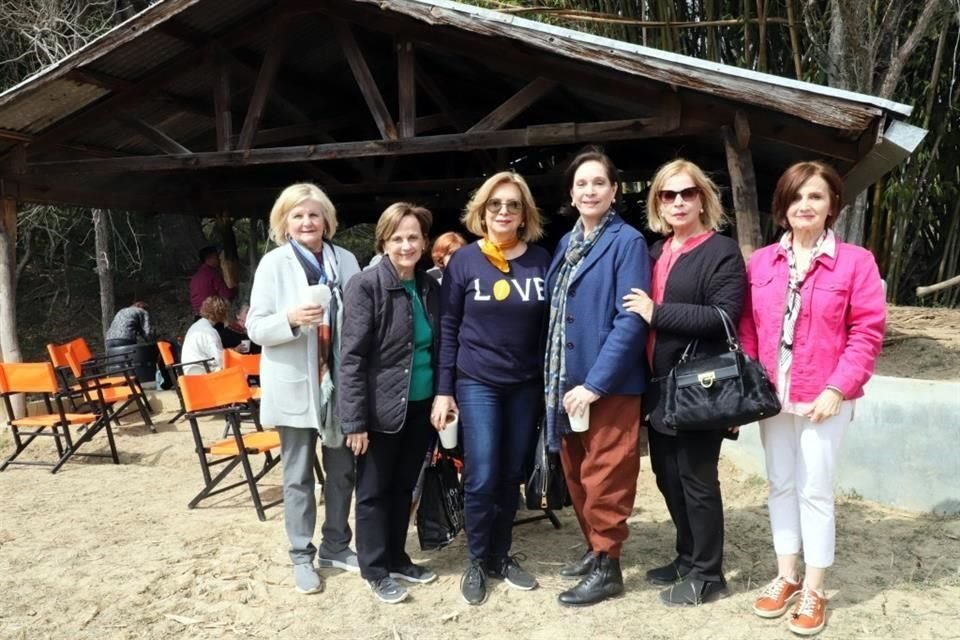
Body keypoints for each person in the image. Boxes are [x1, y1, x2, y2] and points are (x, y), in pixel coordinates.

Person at [739, 161, 885, 636]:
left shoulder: (855, 262)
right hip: (773, 395)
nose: (806, 205)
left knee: (815, 490)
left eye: (816, 197)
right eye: (797, 197)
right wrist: (753, 384)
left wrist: (838, 388)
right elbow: (747, 328)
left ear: (832, 207)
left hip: (823, 395)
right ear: (783, 207)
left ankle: (815, 588)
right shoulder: (761, 262)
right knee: (780, 484)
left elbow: (866, 331)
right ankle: (786, 575)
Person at [623, 159, 746, 606]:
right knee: (666, 477)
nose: (677, 202)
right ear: (657, 201)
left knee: (696, 480)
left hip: (699, 386)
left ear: (703, 199)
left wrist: (657, 312)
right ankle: (687, 555)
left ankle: (709, 574)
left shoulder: (721, 251)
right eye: (667, 194)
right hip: (658, 387)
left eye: (686, 193)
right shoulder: (654, 253)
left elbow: (722, 316)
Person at [430, 172, 550, 605]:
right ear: (482, 211)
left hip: (525, 385)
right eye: (495, 204)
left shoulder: (540, 260)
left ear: (524, 214)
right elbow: (448, 326)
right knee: (480, 474)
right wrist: (445, 390)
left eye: (513, 205)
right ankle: (478, 559)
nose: (503, 211)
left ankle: (501, 555)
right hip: (477, 381)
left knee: (510, 473)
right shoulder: (464, 262)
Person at [544, 148, 651, 607]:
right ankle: (594, 548)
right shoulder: (566, 245)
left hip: (606, 383)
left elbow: (630, 321)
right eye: (582, 184)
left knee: (607, 472)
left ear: (614, 191)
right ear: (571, 193)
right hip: (566, 381)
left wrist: (596, 384)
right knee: (578, 472)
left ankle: (609, 565)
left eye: (599, 183)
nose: (590, 191)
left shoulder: (627, 243)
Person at [245, 183, 362, 595]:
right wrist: (291, 318)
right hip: (296, 384)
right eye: (297, 216)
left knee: (343, 469)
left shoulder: (346, 260)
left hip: (340, 383)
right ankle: (300, 553)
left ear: (326, 220)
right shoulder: (273, 264)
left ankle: (336, 544)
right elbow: (256, 327)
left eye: (313, 215)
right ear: (285, 223)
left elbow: (364, 316)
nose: (307, 222)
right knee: (296, 475)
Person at [339, 203, 440, 604]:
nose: (406, 245)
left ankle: (398, 557)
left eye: (413, 237)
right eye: (397, 238)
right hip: (380, 411)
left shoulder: (431, 287)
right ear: (383, 242)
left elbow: (440, 344)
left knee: (403, 488)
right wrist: (355, 422)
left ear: (424, 242)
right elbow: (351, 359)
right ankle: (375, 568)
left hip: (420, 406)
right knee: (374, 491)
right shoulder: (365, 286)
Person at [180, 296, 229, 375]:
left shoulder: (196, 326)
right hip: (202, 371)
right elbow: (220, 359)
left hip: (189, 370)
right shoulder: (210, 331)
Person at [189, 245, 238, 316]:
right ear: (210, 258)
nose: (219, 259)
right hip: (211, 314)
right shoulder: (213, 274)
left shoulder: (195, 277)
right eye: (217, 257)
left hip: (197, 313)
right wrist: (235, 290)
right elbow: (226, 294)